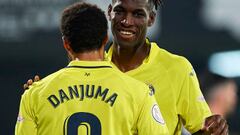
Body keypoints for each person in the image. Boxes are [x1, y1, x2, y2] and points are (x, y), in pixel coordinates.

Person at [24, 0, 229, 134]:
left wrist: (216, 130)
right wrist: (38, 94)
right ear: (110, 12)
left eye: (138, 14)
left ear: (151, 19)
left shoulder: (177, 69)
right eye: (120, 11)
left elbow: (205, 128)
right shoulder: (92, 66)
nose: (126, 21)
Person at [15, 2, 169, 135]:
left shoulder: (34, 95)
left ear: (66, 43)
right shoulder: (139, 93)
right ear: (105, 39)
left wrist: (39, 90)